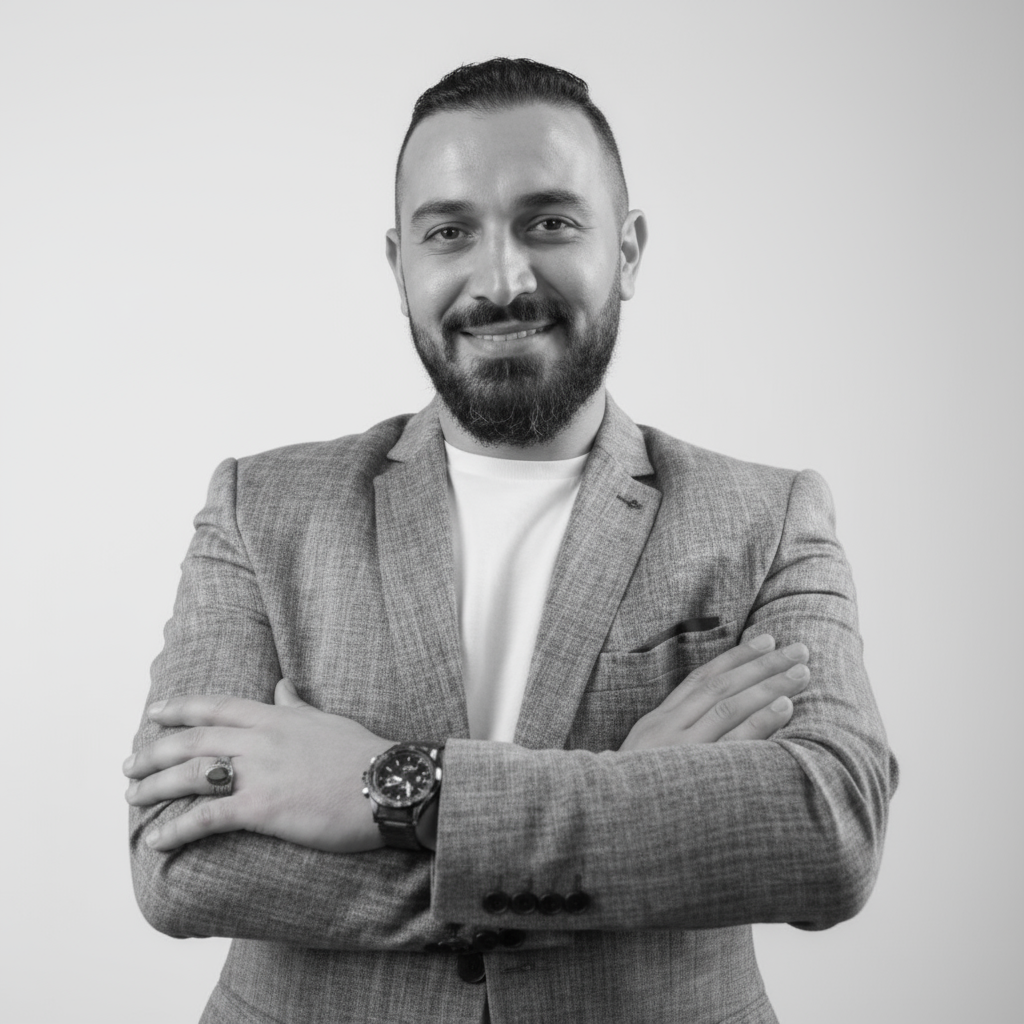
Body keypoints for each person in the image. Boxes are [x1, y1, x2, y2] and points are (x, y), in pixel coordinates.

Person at [125, 58, 898, 1024]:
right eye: (449, 231)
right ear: (400, 265)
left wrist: (387, 792)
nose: (501, 279)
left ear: (628, 250)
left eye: (550, 222)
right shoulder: (261, 506)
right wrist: (631, 800)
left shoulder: (767, 517)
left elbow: (828, 833)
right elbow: (181, 862)